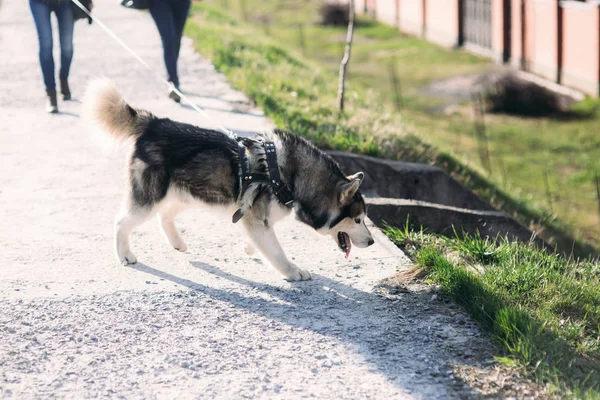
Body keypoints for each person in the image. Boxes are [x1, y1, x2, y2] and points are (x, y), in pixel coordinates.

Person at [30, 0, 91, 113]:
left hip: (65, 3)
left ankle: (63, 78)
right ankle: (51, 93)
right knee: (46, 45)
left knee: (67, 47)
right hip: (39, 3)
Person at [150, 0, 197, 103]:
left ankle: (172, 75)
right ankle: (173, 82)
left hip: (182, 3)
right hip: (159, 3)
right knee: (169, 38)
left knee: (176, 39)